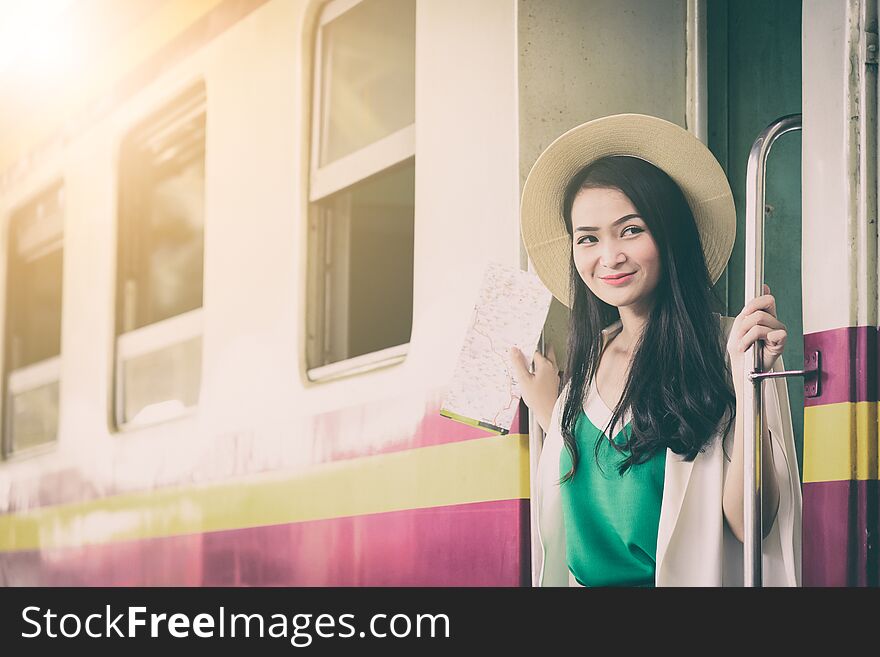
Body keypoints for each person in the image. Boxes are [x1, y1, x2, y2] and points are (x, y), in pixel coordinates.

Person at [510, 114, 802, 587]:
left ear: (668, 235)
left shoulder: (729, 347)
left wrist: (750, 383)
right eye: (588, 238)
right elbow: (600, 476)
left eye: (630, 230)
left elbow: (752, 524)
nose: (609, 257)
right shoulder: (586, 365)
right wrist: (551, 408)